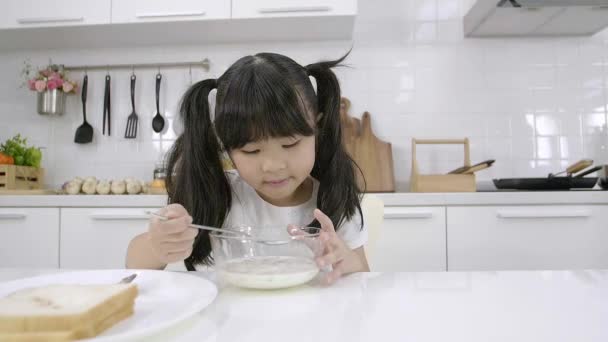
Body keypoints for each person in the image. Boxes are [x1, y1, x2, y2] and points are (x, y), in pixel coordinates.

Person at [126, 52, 369, 284]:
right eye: (251, 151)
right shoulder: (216, 193)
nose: (273, 166)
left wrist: (346, 259)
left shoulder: (334, 197)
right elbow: (134, 264)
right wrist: (158, 245)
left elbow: (363, 275)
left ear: (317, 128)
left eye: (290, 144)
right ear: (227, 147)